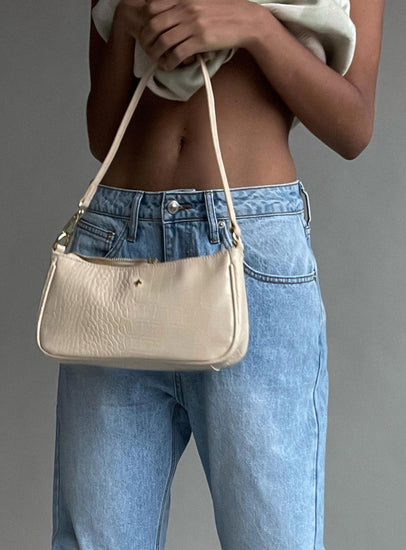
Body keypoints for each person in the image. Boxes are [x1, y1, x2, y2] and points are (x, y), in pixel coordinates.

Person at [50, 0, 385, 548]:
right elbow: (104, 133)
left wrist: (255, 26)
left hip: (249, 250)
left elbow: (354, 127)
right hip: (118, 245)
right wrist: (127, 20)